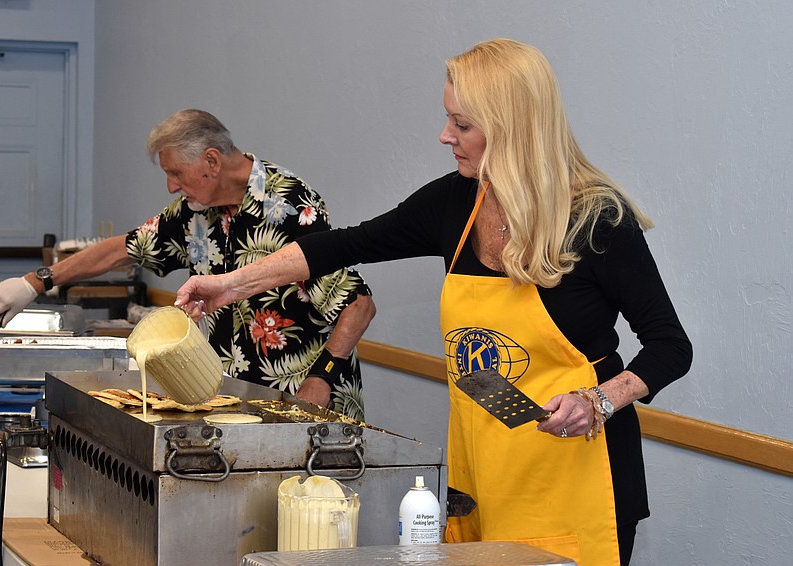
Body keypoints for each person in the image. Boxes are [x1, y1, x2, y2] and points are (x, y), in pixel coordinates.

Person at [174, 40, 692, 565]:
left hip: (576, 470)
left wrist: (599, 402)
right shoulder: (457, 201)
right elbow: (343, 244)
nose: (446, 136)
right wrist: (232, 284)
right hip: (481, 469)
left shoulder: (595, 217)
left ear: (510, 125)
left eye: (462, 125)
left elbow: (671, 346)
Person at [0, 109, 376, 420]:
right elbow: (123, 248)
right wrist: (36, 282)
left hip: (307, 403)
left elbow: (358, 305)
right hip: (236, 402)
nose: (172, 186)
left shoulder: (289, 205)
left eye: (175, 172)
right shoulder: (195, 211)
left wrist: (321, 379)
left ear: (211, 161)